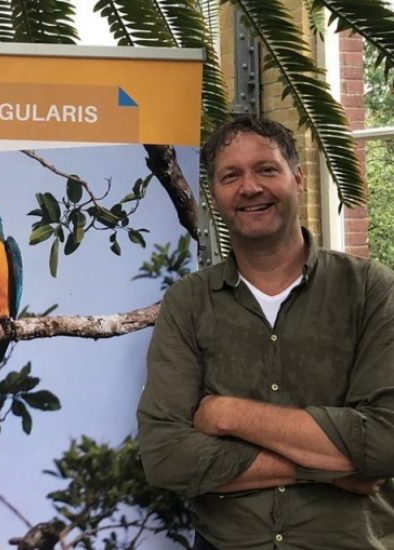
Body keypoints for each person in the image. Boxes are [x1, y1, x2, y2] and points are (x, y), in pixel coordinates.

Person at [137, 115, 394, 549]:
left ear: (298, 178)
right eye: (231, 176)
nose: (250, 187)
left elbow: (386, 441)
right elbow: (165, 456)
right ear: (215, 197)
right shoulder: (188, 302)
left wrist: (227, 414)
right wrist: (332, 466)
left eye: (266, 169)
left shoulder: (370, 289)